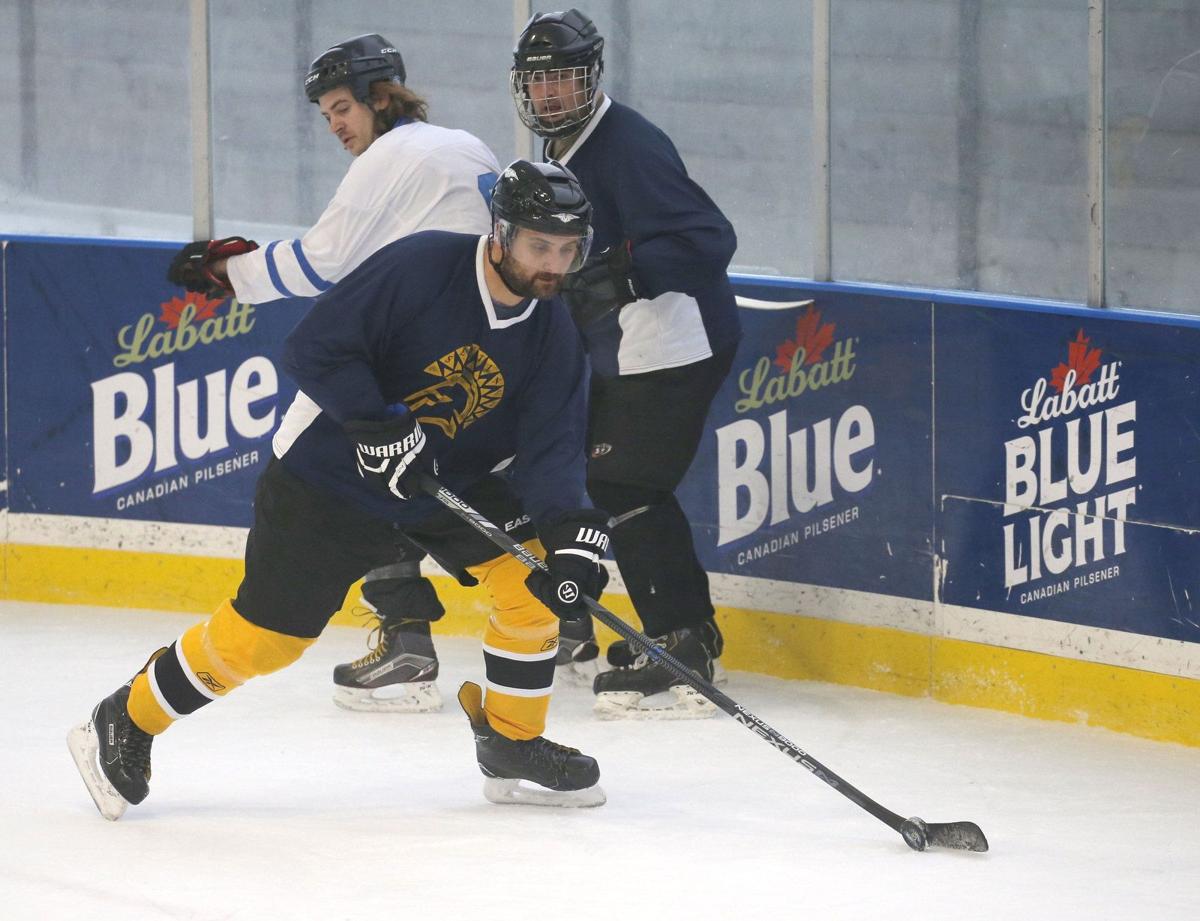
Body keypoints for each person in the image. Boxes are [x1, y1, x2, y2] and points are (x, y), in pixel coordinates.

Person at [69, 160, 612, 819]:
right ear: (500, 233)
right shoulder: (422, 267)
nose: (553, 264)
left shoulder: (552, 330)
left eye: (566, 249)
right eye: (539, 245)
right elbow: (314, 346)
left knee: (533, 590)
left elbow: (554, 448)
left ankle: (511, 741)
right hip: (331, 474)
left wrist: (574, 537)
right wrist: (377, 424)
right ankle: (127, 716)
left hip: (441, 481)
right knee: (267, 637)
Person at [166, 34, 505, 715]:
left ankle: (403, 636)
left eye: (343, 107)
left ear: (384, 97)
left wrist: (226, 273)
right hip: (477, 367)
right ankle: (556, 618)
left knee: (322, 466)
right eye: (325, 115)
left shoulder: (393, 154)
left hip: (404, 363)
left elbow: (321, 262)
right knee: (428, 486)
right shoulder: (468, 147)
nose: (336, 126)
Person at [509, 10, 743, 719]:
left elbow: (710, 237)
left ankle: (682, 646)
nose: (551, 94)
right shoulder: (565, 147)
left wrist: (629, 273)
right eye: (539, 81)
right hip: (629, 351)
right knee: (575, 473)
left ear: (591, 77)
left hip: (675, 344)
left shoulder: (625, 144)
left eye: (564, 78)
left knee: (625, 481)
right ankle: (586, 619)